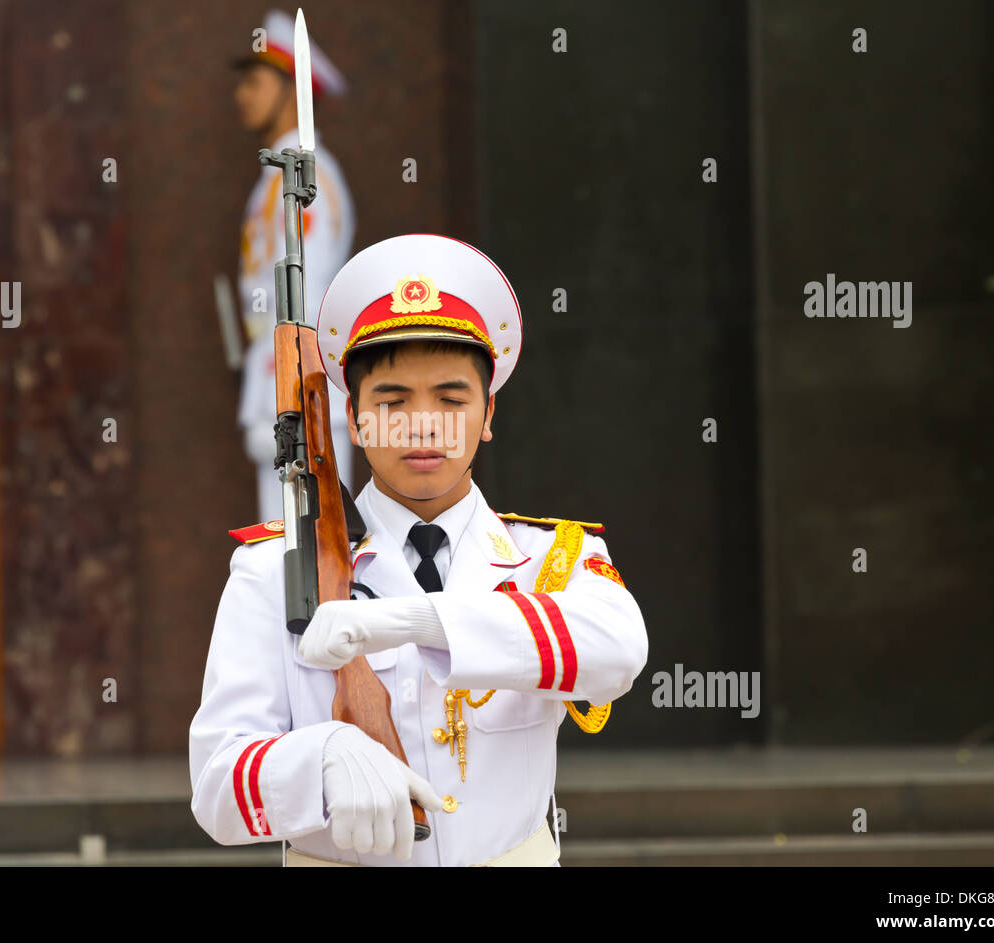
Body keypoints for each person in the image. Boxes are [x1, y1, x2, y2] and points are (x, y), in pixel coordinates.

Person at [189, 234, 649, 866]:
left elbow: (619, 651)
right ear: (354, 420)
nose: (422, 424)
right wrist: (318, 758)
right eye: (392, 401)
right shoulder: (275, 568)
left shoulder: (549, 558)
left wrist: (414, 620)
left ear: (487, 414)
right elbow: (217, 788)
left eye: (451, 399)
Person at [234, 8, 355, 521]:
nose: (242, 93)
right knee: (279, 534)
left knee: (312, 532)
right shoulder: (277, 174)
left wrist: (289, 370)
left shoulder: (308, 176)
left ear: (293, 91)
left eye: (257, 81)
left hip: (301, 369)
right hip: (276, 363)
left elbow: (311, 284)